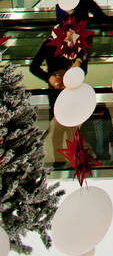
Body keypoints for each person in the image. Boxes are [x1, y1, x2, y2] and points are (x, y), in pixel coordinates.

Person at [30, 33, 88, 162]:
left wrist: (77, 67)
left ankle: (75, 161)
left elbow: (84, 69)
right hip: (56, 94)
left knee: (73, 128)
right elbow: (33, 67)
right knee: (58, 129)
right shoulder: (49, 44)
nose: (69, 34)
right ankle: (59, 161)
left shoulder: (78, 43)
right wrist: (49, 78)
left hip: (73, 91)